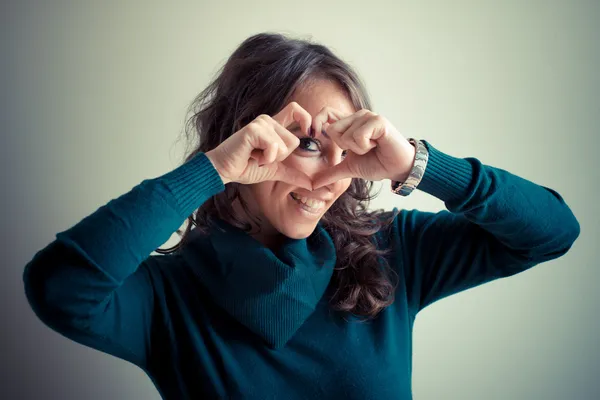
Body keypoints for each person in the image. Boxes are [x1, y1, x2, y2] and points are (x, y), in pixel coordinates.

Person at [22, 32, 580, 399]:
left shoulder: (391, 252)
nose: (331, 176)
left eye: (346, 145)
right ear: (248, 141)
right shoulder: (168, 297)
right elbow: (60, 288)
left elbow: (552, 231)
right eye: (307, 143)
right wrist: (211, 170)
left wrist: (415, 163)